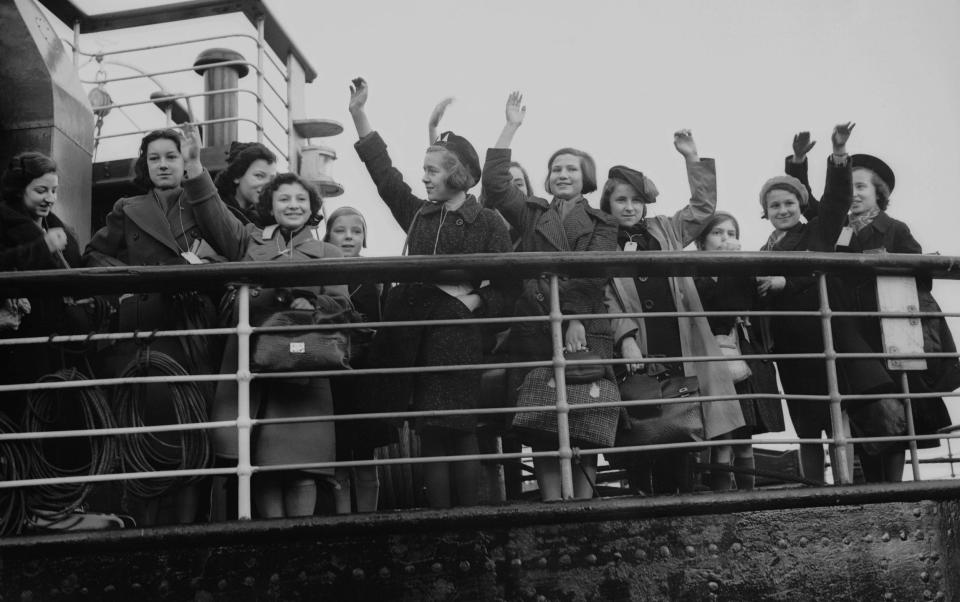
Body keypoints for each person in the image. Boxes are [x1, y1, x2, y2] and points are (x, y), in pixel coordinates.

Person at [349, 77, 516, 509]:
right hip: (416, 335)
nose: (423, 178)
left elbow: (510, 287)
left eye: (431, 171)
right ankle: (439, 520)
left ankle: (465, 519)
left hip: (458, 335)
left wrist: (475, 303)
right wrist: (359, 116)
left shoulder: (489, 223)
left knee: (457, 430)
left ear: (456, 174)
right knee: (428, 431)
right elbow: (385, 178)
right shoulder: (419, 214)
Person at [179, 124, 350, 518]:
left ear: (311, 206)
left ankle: (299, 540)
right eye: (284, 198)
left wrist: (306, 302)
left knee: (301, 465)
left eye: (300, 199)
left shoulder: (327, 252)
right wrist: (193, 164)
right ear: (270, 205)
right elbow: (212, 213)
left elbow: (341, 306)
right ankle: (271, 539)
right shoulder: (247, 241)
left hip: (305, 368)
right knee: (263, 469)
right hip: (253, 365)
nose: (292, 205)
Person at [787, 141, 955, 482]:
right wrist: (798, 163)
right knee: (863, 407)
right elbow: (813, 204)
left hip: (887, 328)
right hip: (851, 329)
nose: (854, 193)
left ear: (879, 193)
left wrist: (886, 262)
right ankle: (870, 480)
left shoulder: (895, 228)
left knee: (893, 406)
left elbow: (922, 272)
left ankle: (891, 484)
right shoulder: (838, 227)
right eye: (850, 187)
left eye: (861, 186)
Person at [482, 91, 618, 501]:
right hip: (534, 328)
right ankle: (552, 503)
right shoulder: (532, 213)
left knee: (583, 420)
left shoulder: (603, 221)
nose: (562, 174)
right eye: (556, 168)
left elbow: (593, 271)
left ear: (585, 177)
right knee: (541, 421)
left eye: (571, 169)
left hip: (584, 327)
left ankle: (583, 505)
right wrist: (511, 126)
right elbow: (495, 183)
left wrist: (573, 315)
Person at [84, 129, 220, 526]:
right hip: (144, 338)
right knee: (145, 436)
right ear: (145, 165)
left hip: (192, 334)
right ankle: (147, 533)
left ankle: (188, 532)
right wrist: (137, 277)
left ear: (184, 162)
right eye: (154, 158)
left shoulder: (204, 205)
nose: (162, 164)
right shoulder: (128, 208)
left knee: (192, 438)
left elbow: (233, 247)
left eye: (171, 157)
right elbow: (94, 256)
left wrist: (200, 268)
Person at [598, 131, 746, 494]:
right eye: (621, 200)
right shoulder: (601, 241)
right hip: (639, 343)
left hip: (679, 338)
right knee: (643, 417)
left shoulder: (665, 227)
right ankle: (642, 497)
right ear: (609, 203)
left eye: (635, 200)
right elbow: (607, 297)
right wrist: (626, 338)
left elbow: (703, 208)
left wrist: (691, 158)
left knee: (683, 414)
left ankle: (680, 494)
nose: (629, 207)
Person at [757, 122, 898, 484]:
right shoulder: (762, 250)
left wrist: (837, 154)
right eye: (775, 205)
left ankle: (843, 486)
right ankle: (813, 489)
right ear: (765, 211)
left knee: (838, 416)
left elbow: (836, 201)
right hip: (790, 347)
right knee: (806, 424)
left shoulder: (816, 232)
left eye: (789, 203)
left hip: (822, 339)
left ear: (801, 207)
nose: (783, 210)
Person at [693, 212, 785, 491]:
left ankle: (749, 499)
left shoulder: (745, 269)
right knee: (721, 443)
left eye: (731, 234)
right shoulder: (693, 273)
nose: (726, 239)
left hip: (742, 356)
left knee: (744, 442)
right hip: (711, 358)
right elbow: (717, 309)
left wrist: (740, 267)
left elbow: (750, 305)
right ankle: (724, 503)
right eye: (718, 233)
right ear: (702, 241)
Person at [324, 206, 388, 513]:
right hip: (331, 375)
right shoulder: (319, 269)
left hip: (364, 376)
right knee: (337, 454)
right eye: (340, 230)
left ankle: (368, 519)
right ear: (327, 235)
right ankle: (342, 520)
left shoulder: (376, 276)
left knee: (365, 455)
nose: (348, 237)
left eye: (356, 231)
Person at [213, 141, 277, 227]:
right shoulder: (217, 210)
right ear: (237, 175)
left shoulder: (268, 216)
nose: (267, 185)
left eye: (272, 179)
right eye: (259, 176)